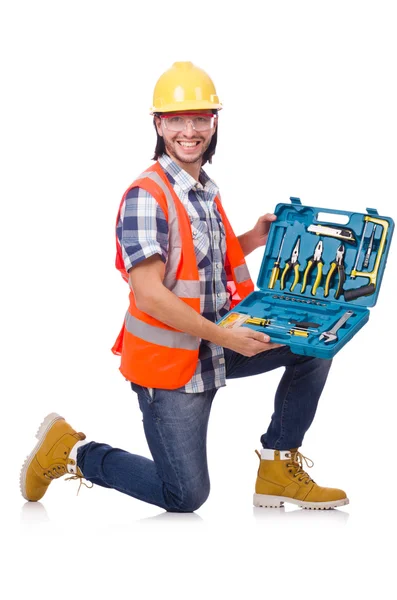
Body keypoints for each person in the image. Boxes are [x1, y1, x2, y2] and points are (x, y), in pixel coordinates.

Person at [20, 61, 348, 511]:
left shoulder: (203, 191)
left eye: (200, 118)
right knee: (185, 495)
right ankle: (71, 451)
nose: (189, 130)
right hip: (172, 364)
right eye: (177, 119)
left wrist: (253, 238)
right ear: (159, 124)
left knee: (316, 344)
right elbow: (150, 294)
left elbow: (200, 261)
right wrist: (228, 337)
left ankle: (277, 466)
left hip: (215, 345)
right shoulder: (146, 195)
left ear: (214, 123)